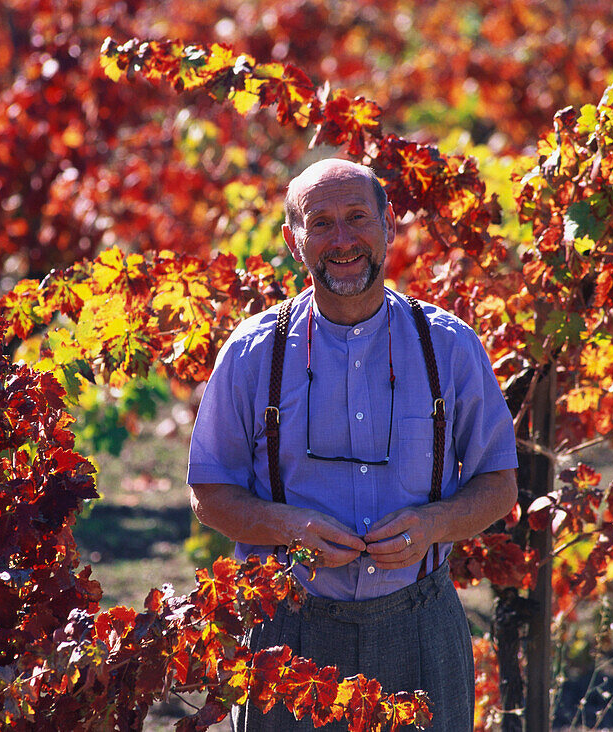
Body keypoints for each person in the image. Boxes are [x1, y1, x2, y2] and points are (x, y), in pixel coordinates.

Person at [187, 158, 518, 730]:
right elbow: (210, 493)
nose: (343, 240)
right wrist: (285, 527)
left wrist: (434, 525)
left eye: (358, 217)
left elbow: (498, 485)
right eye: (321, 224)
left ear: (389, 227)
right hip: (287, 635)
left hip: (419, 627)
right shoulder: (251, 354)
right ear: (294, 242)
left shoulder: (450, 348)